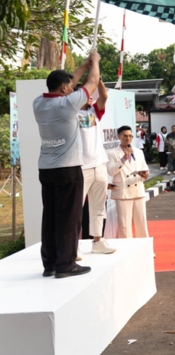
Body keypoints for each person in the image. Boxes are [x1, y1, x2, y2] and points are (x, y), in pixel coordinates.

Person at [34, 49, 101, 278]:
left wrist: (83, 63)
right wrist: (95, 62)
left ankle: (50, 263)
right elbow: (92, 82)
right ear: (63, 89)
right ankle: (66, 265)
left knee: (50, 216)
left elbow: (69, 81)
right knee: (70, 218)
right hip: (68, 169)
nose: (72, 89)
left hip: (46, 168)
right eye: (69, 87)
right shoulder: (67, 105)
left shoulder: (38, 103)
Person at [76, 76, 116, 255]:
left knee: (99, 206)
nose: (90, 96)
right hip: (80, 167)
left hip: (99, 164)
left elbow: (104, 97)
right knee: (76, 208)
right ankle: (73, 246)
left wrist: (98, 80)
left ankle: (98, 241)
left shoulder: (94, 111)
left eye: (91, 93)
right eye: (86, 93)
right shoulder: (71, 113)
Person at [107, 126, 151, 239]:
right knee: (124, 226)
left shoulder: (139, 152)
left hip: (138, 191)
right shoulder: (112, 153)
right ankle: (125, 251)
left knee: (142, 223)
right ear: (119, 137)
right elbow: (111, 171)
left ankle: (144, 248)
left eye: (130, 136)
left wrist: (145, 174)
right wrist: (123, 158)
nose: (128, 138)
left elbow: (145, 168)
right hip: (122, 193)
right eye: (125, 136)